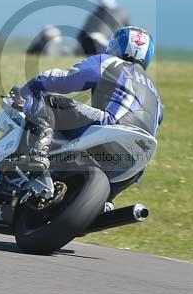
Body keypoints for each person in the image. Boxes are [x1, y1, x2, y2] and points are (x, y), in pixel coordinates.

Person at [13, 26, 163, 197]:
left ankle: (37, 153)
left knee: (46, 100)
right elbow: (158, 121)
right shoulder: (155, 92)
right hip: (139, 155)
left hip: (109, 125)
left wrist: (29, 88)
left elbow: (65, 80)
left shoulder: (109, 62)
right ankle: (104, 202)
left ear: (116, 45)